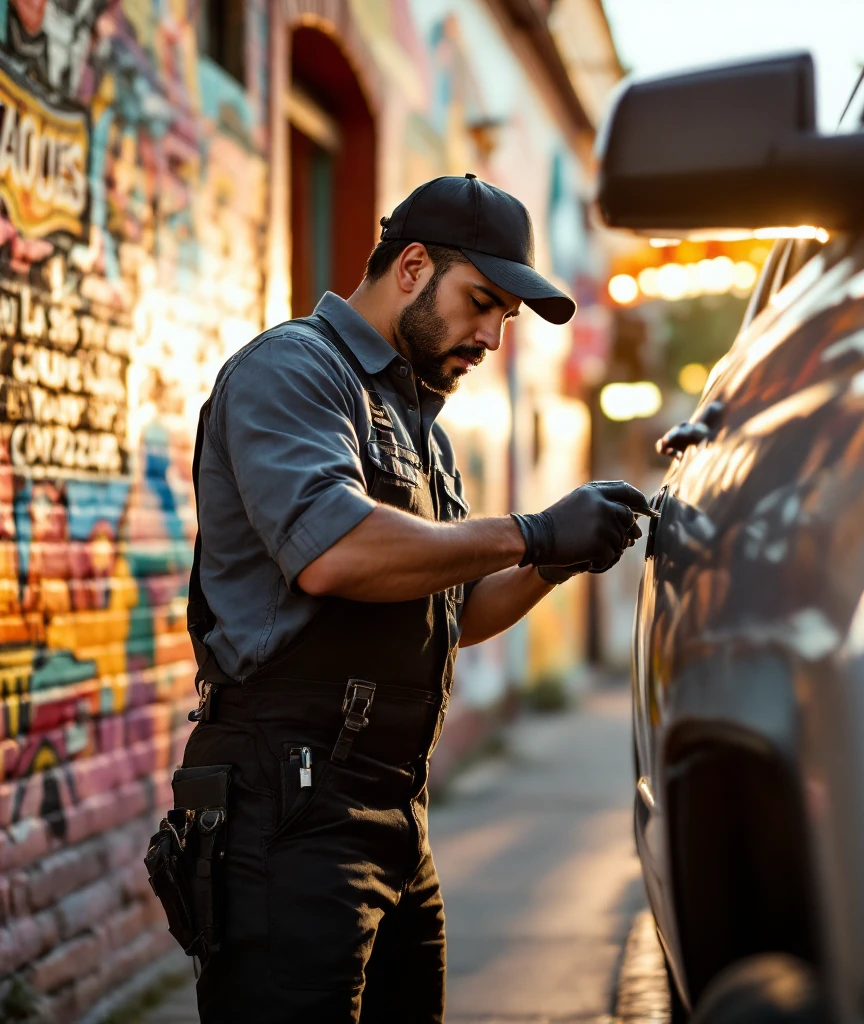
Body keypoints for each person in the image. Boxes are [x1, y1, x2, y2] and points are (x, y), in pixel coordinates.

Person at [178, 174, 650, 1023]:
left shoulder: (417, 422)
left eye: (503, 317)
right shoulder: (293, 370)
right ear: (413, 265)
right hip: (288, 805)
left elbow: (456, 614)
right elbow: (336, 550)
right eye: (481, 302)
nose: (491, 336)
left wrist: (558, 562)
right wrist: (534, 531)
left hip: (394, 809)